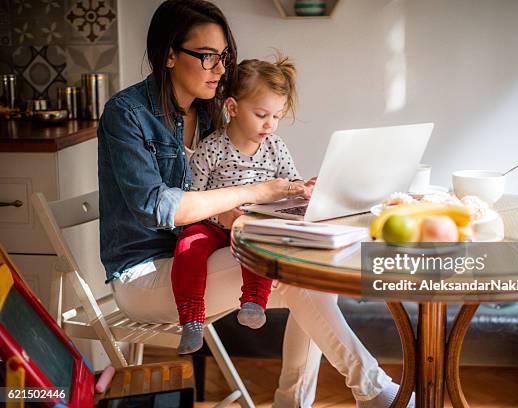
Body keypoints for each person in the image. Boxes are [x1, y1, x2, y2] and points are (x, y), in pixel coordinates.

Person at [97, 1, 409, 406]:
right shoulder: (127, 114)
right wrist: (256, 193)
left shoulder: (212, 114)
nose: (221, 69)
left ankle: (305, 400)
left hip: (207, 255)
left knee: (310, 276)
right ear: (170, 55)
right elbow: (162, 208)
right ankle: (373, 391)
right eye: (207, 56)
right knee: (296, 270)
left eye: (223, 56)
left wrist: (293, 198)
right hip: (145, 274)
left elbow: (219, 195)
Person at [172, 55, 312, 354]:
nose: (270, 125)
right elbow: (192, 197)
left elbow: (291, 183)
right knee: (187, 248)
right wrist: (219, 216)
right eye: (262, 114)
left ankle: (253, 301)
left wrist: (304, 189)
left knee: (261, 243)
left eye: (276, 116)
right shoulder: (212, 147)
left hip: (251, 224)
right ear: (233, 107)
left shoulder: (275, 147)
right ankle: (192, 320)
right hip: (210, 224)